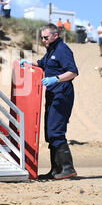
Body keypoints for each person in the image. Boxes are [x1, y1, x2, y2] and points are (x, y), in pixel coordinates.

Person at [20, 24, 79, 180]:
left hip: (62, 95)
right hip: (52, 95)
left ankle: (67, 168)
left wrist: (56, 78)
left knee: (56, 130)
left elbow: (73, 72)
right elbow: (41, 64)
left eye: (46, 37)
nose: (43, 40)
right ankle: (56, 169)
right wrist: (28, 64)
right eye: (42, 38)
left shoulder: (62, 50)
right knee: (50, 132)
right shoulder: (51, 50)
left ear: (55, 35)